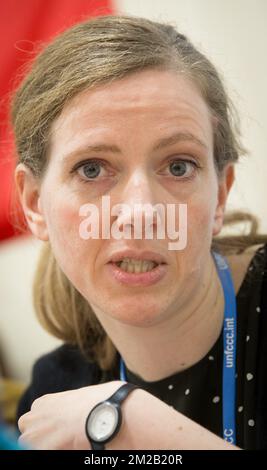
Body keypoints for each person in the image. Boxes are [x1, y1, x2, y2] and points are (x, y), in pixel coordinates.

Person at [11, 15, 267, 450]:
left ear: (220, 197)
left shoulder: (92, 416)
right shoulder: (56, 391)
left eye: (178, 166)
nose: (141, 212)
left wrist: (135, 423)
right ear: (35, 203)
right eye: (92, 169)